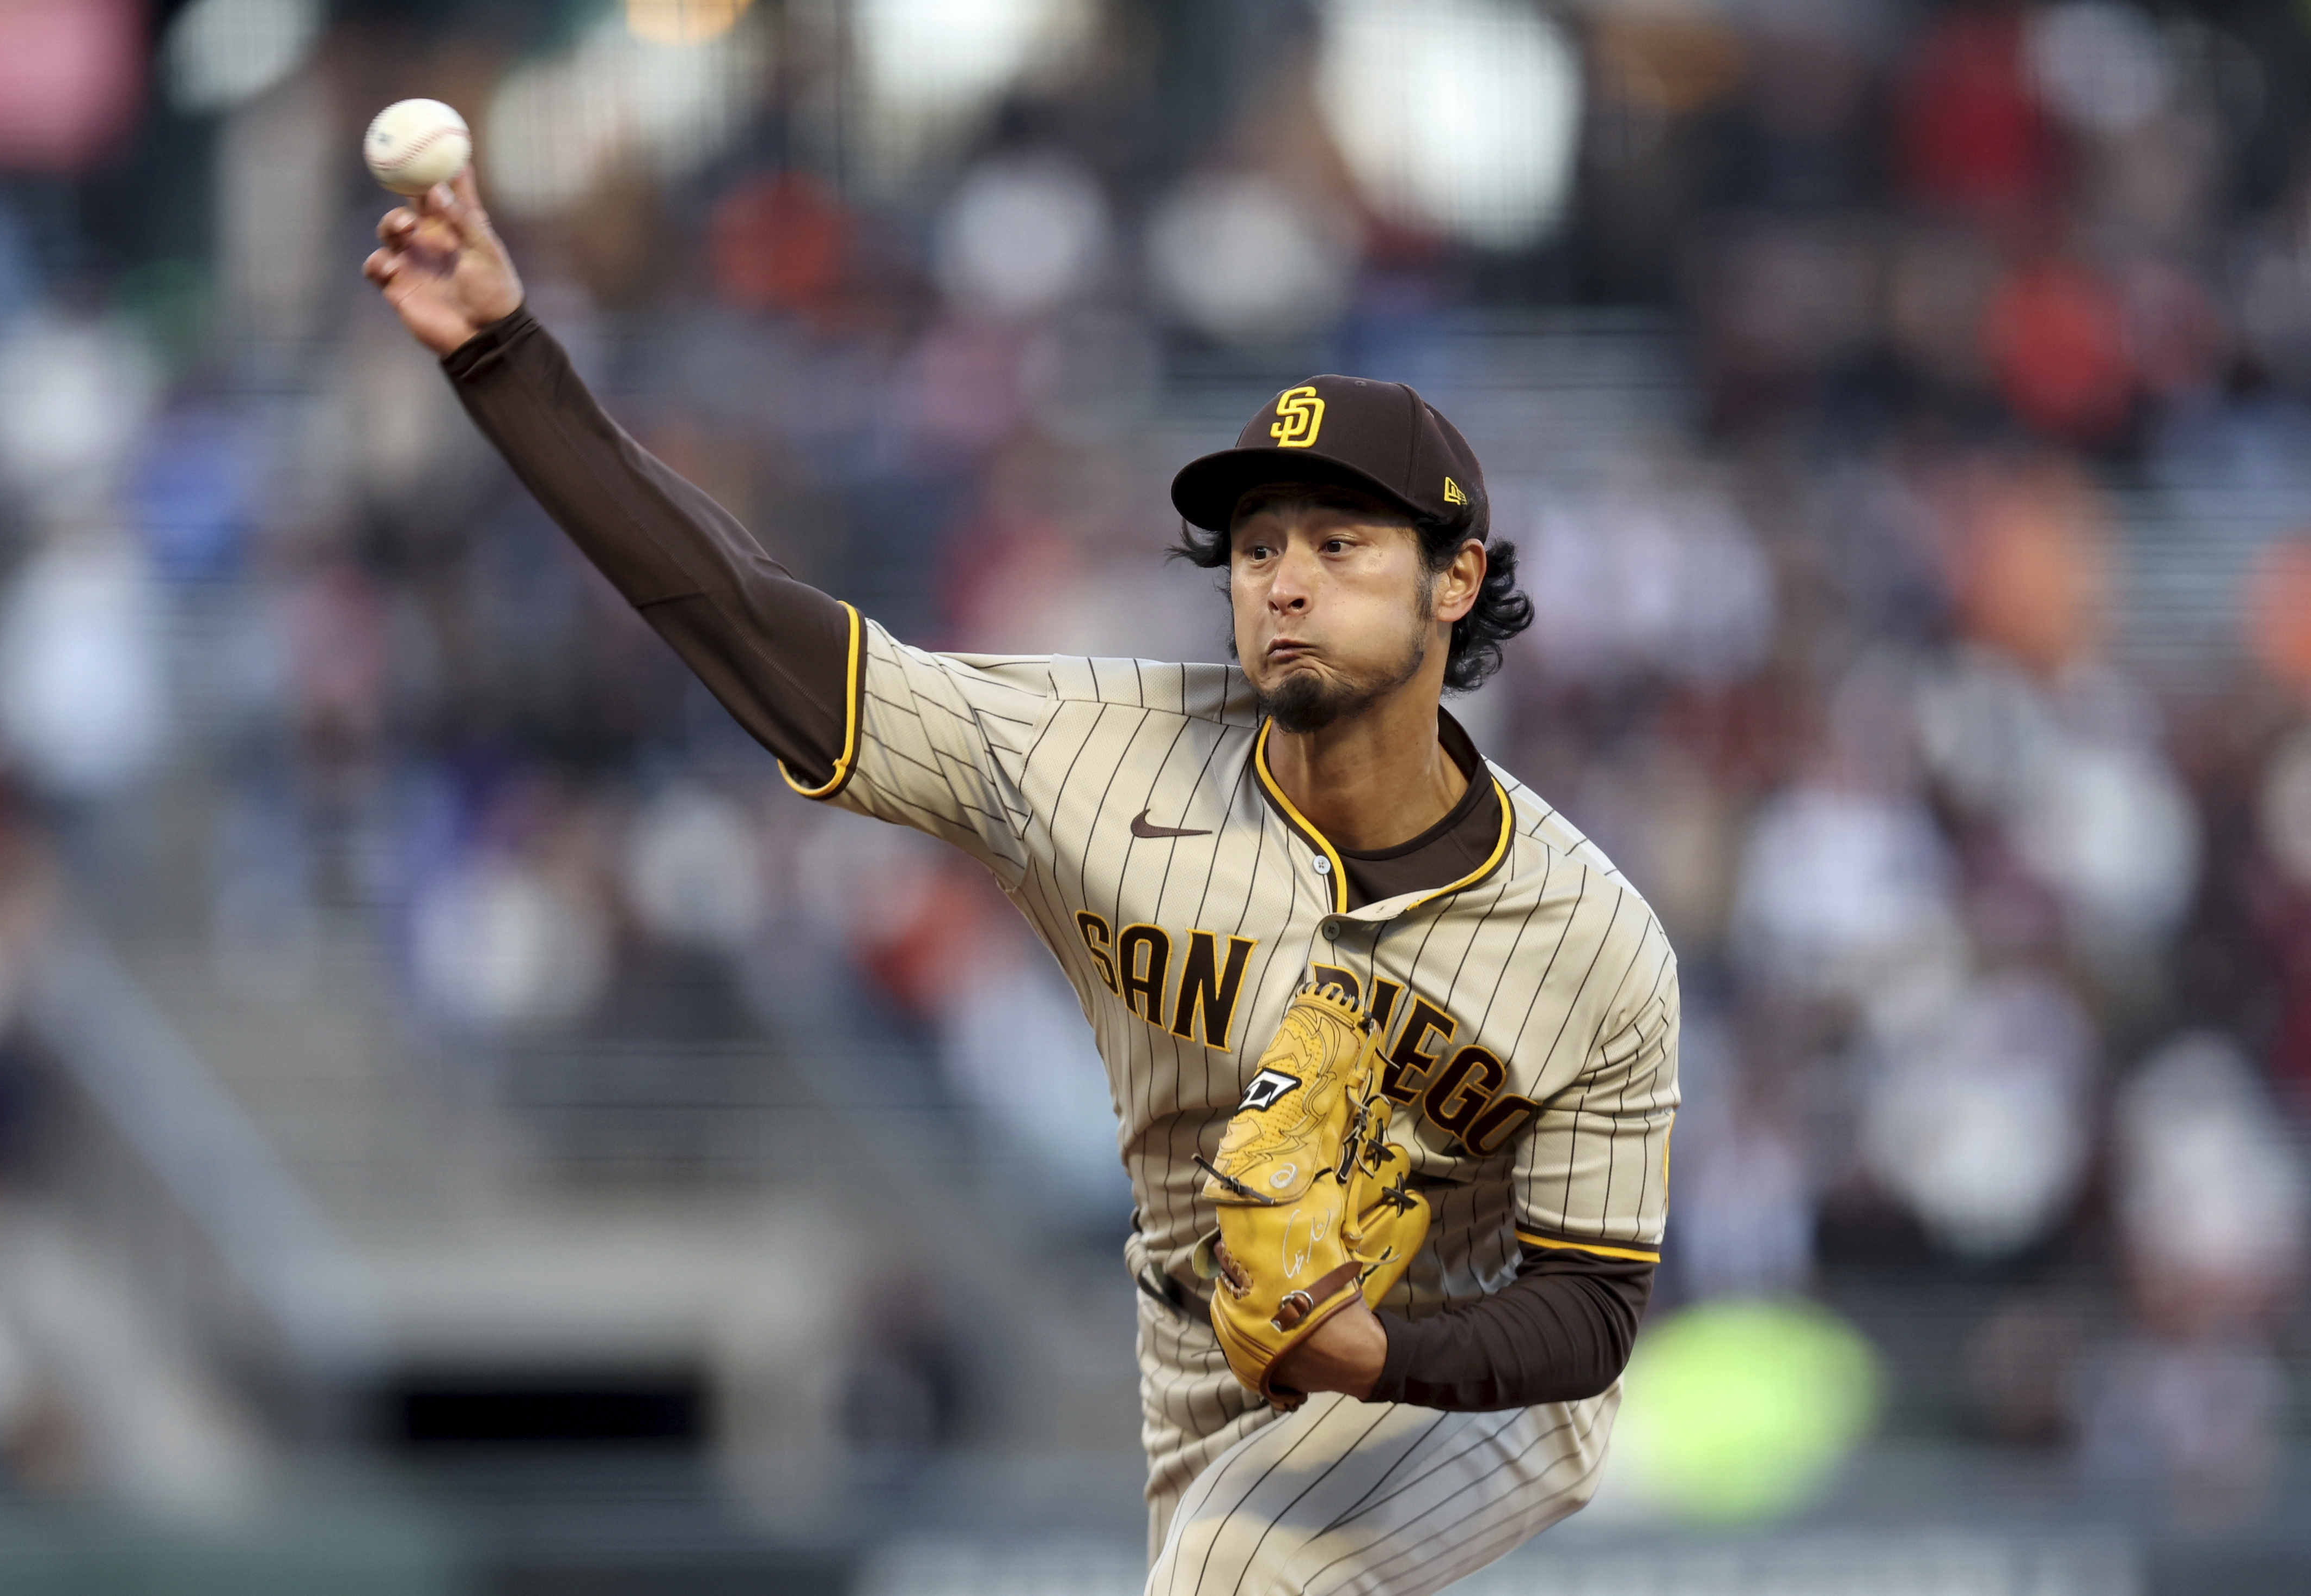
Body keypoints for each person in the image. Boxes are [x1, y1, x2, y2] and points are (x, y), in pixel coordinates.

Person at [365, 172, 1678, 1595]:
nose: (1281, 582)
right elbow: (752, 624)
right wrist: (505, 358)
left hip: (1485, 1403)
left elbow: (1590, 1305)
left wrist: (1382, 1351)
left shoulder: (1583, 932)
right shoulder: (1098, 757)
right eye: (1254, 547)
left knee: (1238, 1563)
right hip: (1219, 1408)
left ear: (1451, 579)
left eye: (1338, 544)